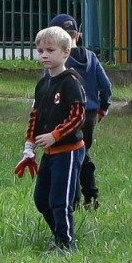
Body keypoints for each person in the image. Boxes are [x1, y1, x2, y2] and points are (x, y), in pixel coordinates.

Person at [15, 26, 87, 253]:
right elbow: (36, 116)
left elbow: (78, 117)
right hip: (50, 153)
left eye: (50, 50)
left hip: (69, 149)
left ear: (65, 53)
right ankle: (58, 235)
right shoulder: (43, 84)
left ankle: (67, 244)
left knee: (60, 201)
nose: (44, 55)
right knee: (41, 199)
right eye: (40, 50)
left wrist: (55, 136)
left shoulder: (71, 82)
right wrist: (29, 147)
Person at [48, 14, 112, 210]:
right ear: (79, 36)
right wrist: (103, 106)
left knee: (70, 156)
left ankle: (72, 199)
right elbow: (106, 86)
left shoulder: (58, 60)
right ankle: (91, 195)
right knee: (83, 153)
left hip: (66, 115)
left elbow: (49, 89)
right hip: (90, 115)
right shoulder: (91, 57)